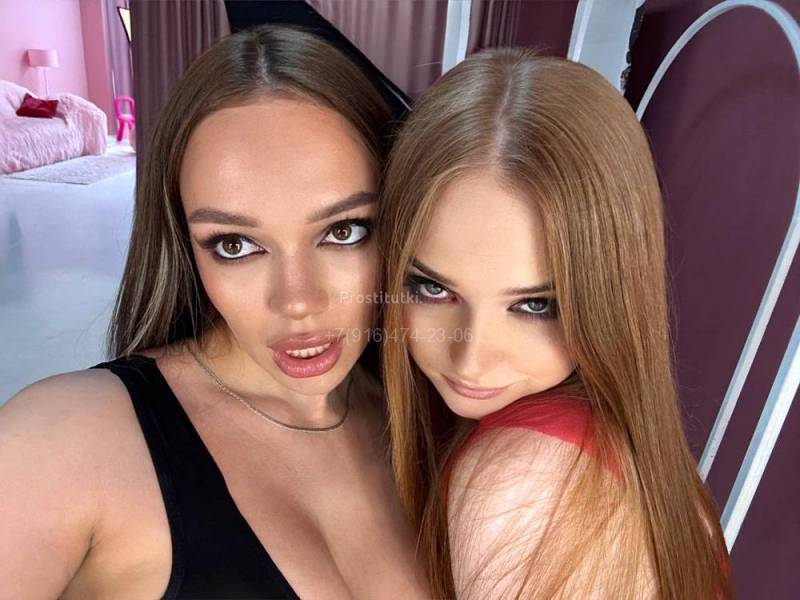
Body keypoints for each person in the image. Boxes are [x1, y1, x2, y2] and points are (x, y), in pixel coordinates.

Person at [0, 24, 428, 600]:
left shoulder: (425, 421)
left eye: (344, 231)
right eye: (235, 244)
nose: (296, 301)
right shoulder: (65, 439)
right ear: (184, 243)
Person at [378, 48, 733, 599]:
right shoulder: (613, 439)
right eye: (432, 288)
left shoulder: (520, 489)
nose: (472, 359)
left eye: (535, 306)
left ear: (608, 297)